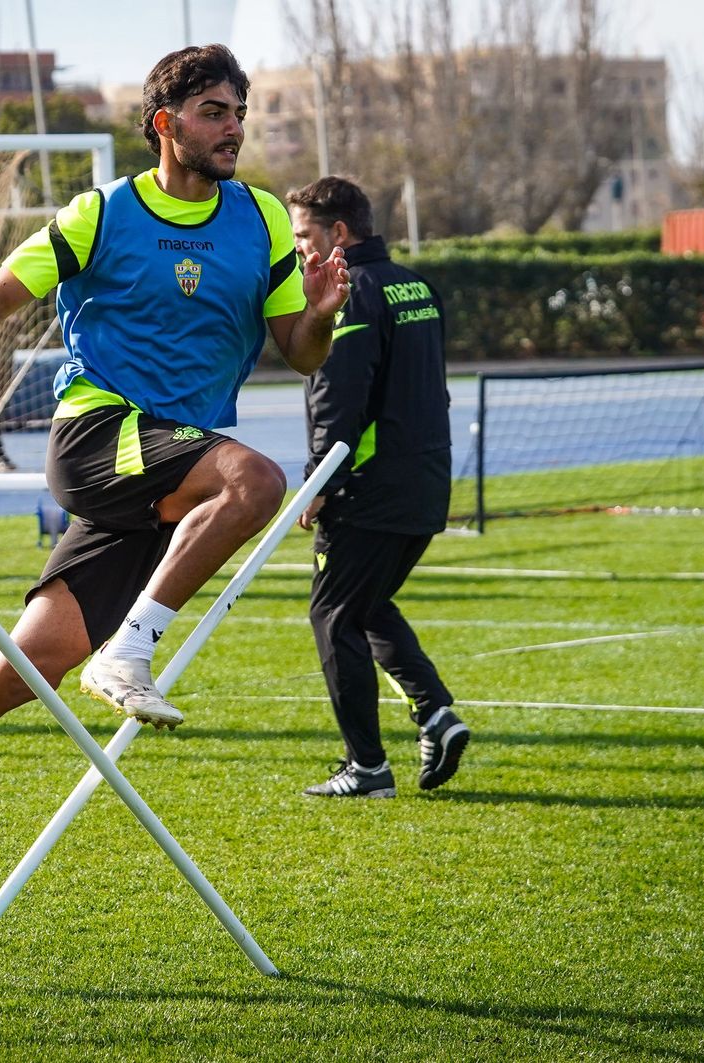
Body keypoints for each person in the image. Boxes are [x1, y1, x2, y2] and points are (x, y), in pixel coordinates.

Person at [0, 44, 351, 881]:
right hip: (100, 435)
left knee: (28, 665)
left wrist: (320, 314)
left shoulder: (264, 220)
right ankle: (130, 651)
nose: (235, 128)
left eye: (240, 111)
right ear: (163, 125)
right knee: (258, 480)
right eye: (216, 111)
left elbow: (302, 351)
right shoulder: (100, 214)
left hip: (172, 473)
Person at [285, 175, 469, 798]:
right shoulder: (416, 284)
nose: (300, 250)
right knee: (365, 605)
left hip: (369, 487)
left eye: (305, 236)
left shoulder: (353, 292)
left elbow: (341, 400)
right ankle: (435, 712)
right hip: (425, 481)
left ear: (339, 232)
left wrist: (318, 482)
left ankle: (366, 767)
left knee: (333, 613)